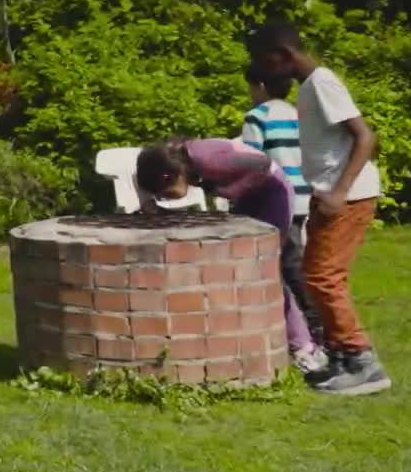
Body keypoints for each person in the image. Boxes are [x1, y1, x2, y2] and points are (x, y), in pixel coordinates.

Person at [248, 21, 391, 396]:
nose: (262, 71)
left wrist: (339, 192)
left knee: (324, 277)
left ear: (283, 55)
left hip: (348, 195)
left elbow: (365, 137)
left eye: (264, 61)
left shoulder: (322, 83)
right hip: (327, 194)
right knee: (315, 276)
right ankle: (341, 358)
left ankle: (363, 362)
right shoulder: (309, 87)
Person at [132, 137, 319, 369]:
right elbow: (139, 178)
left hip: (272, 193)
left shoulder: (207, 159)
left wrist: (227, 191)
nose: (165, 199)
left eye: (164, 193)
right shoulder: (171, 161)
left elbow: (261, 165)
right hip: (250, 194)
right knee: (245, 266)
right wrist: (148, 205)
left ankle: (304, 346)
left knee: (268, 270)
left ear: (167, 177)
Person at [239, 64, 325, 354]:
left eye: (251, 87)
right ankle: (310, 326)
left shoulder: (257, 117)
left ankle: (314, 329)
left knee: (287, 266)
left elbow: (252, 164)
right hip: (304, 197)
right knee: (296, 261)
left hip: (276, 201)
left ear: (261, 86)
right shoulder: (298, 114)